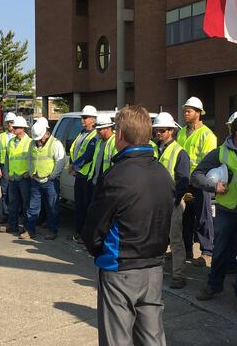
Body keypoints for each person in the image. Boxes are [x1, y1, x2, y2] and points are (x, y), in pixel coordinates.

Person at [82, 105, 173, 346]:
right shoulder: (163, 172)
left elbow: (93, 228)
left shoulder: (116, 175)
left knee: (117, 338)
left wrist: (99, 251)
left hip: (121, 267)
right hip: (153, 265)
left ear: (120, 134)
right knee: (152, 336)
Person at [193, 117, 237, 313]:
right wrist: (213, 185)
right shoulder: (220, 153)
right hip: (226, 211)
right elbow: (197, 175)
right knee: (220, 251)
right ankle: (213, 285)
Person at [176, 96, 217, 267]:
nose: (186, 113)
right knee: (185, 218)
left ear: (198, 113)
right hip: (185, 183)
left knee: (203, 217)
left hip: (200, 184)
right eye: (185, 110)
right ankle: (187, 250)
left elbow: (208, 162)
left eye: (189, 110)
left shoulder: (207, 135)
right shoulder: (181, 132)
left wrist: (197, 179)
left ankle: (207, 252)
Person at [152, 112, 191, 289]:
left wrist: (174, 200)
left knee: (175, 240)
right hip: (155, 202)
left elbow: (183, 180)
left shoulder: (180, 153)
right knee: (157, 240)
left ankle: (178, 275)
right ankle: (157, 272)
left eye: (161, 130)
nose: (158, 134)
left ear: (171, 131)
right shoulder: (154, 149)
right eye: (156, 130)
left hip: (172, 203)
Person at [27, 121, 66, 240]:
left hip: (50, 182)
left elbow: (61, 161)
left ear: (46, 133)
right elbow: (30, 158)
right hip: (35, 180)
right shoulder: (33, 143)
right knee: (33, 207)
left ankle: (52, 231)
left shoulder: (55, 144)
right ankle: (30, 230)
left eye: (40, 138)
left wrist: (51, 176)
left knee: (52, 207)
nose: (38, 140)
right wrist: (31, 173)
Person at [69, 105, 99, 243]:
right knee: (79, 205)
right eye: (82, 117)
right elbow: (74, 149)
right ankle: (78, 231)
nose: (83, 119)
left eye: (85, 117)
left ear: (93, 119)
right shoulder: (81, 133)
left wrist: (75, 166)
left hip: (86, 176)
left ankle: (84, 234)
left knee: (86, 206)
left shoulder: (94, 135)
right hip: (79, 175)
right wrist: (71, 163)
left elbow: (88, 154)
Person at [2, 116, 32, 235]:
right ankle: (12, 225)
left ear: (23, 128)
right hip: (13, 177)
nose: (13, 129)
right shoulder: (11, 142)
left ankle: (26, 227)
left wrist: (28, 173)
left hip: (24, 178)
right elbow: (8, 159)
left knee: (26, 204)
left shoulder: (29, 142)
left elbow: (33, 159)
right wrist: (7, 173)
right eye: (13, 127)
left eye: (16, 127)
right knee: (13, 203)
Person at [0, 112, 17, 224]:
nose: (10, 124)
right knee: (5, 192)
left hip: (18, 167)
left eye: (12, 122)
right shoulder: (1, 137)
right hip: (5, 167)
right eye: (8, 122)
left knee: (17, 192)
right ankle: (6, 214)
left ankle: (17, 214)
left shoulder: (22, 137)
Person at [87, 114, 117, 192]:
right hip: (96, 183)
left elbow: (116, 167)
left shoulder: (115, 142)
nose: (97, 132)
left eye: (99, 129)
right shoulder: (99, 141)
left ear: (108, 128)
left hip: (106, 186)